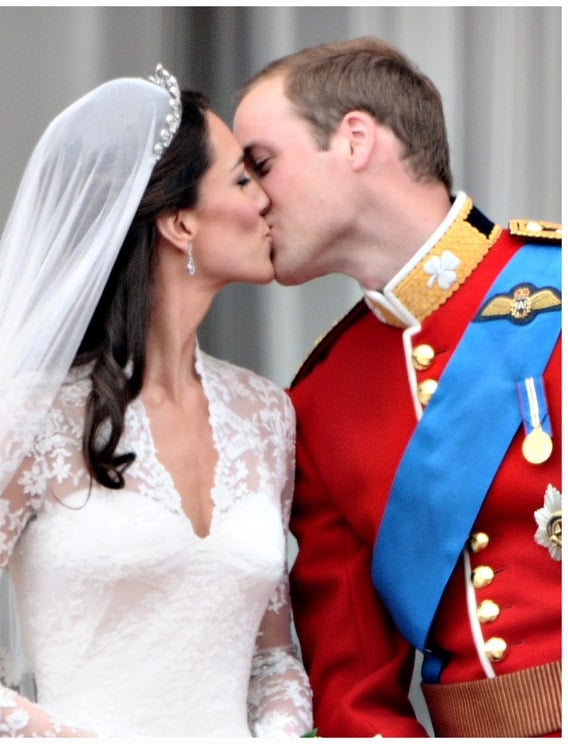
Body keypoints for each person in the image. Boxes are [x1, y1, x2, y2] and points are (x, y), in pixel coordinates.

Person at [234, 37, 562, 738]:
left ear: (355, 139)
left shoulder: (557, 296)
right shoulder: (321, 399)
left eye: (262, 164)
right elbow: (354, 694)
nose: (251, 201)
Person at [0, 67, 313, 737]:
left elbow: (273, 659)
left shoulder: (268, 415)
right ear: (181, 221)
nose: (267, 201)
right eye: (244, 180)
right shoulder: (29, 418)